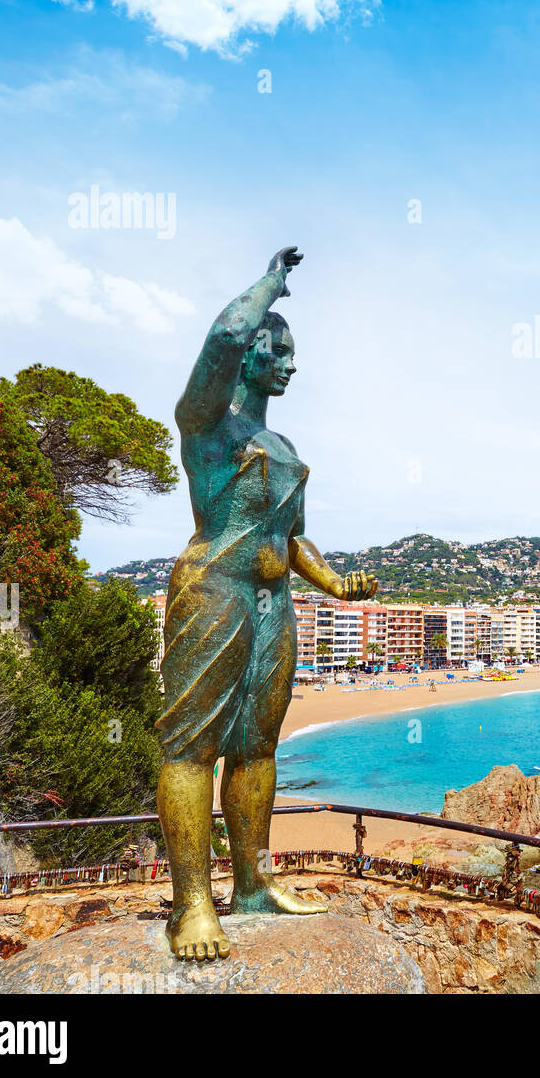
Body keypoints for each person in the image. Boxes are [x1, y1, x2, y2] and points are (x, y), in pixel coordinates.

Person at [154, 247, 377, 961]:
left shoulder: (279, 443)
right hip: (213, 589)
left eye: (291, 350)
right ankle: (193, 904)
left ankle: (250, 884)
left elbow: (294, 536)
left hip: (273, 602)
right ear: (248, 354)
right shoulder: (206, 424)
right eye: (277, 348)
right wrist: (270, 286)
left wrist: (337, 585)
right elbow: (221, 337)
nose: (290, 362)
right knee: (191, 746)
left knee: (256, 749)